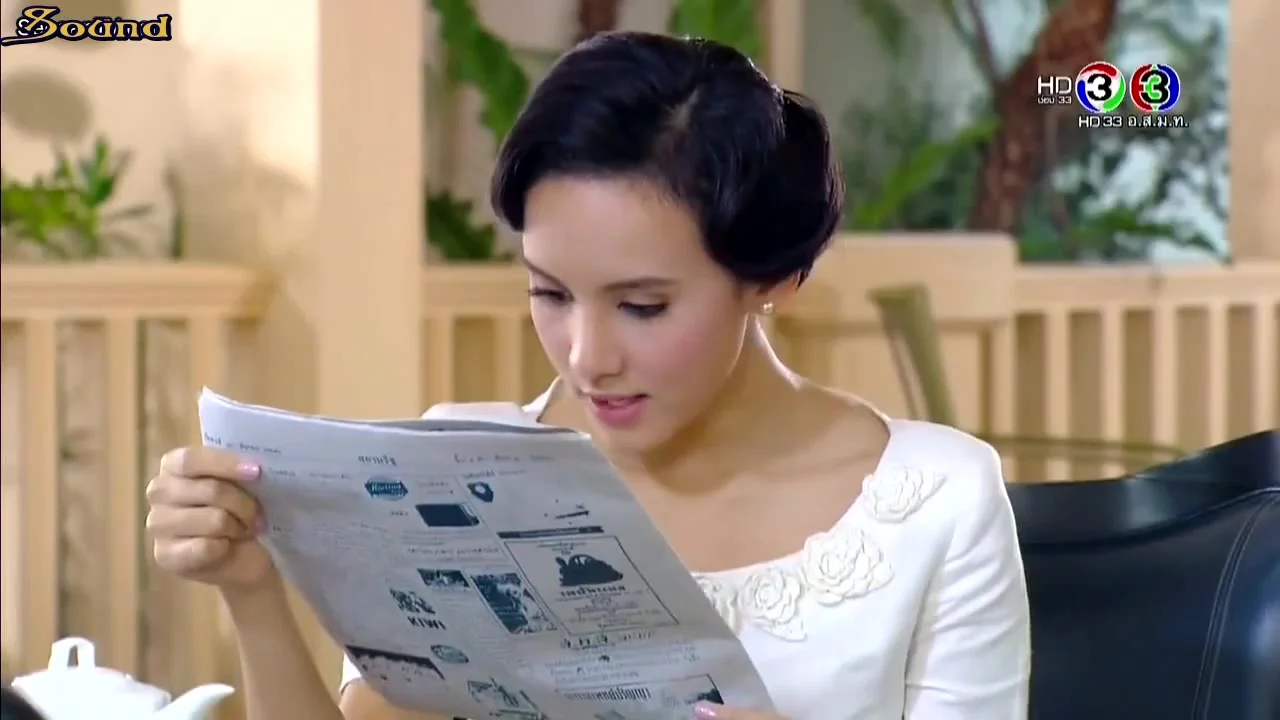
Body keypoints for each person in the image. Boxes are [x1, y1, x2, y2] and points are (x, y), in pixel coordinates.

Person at [145, 31, 1030, 720]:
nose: (585, 355)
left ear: (775, 279)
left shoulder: (938, 499)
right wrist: (252, 591)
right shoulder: (452, 472)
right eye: (550, 293)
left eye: (642, 306)